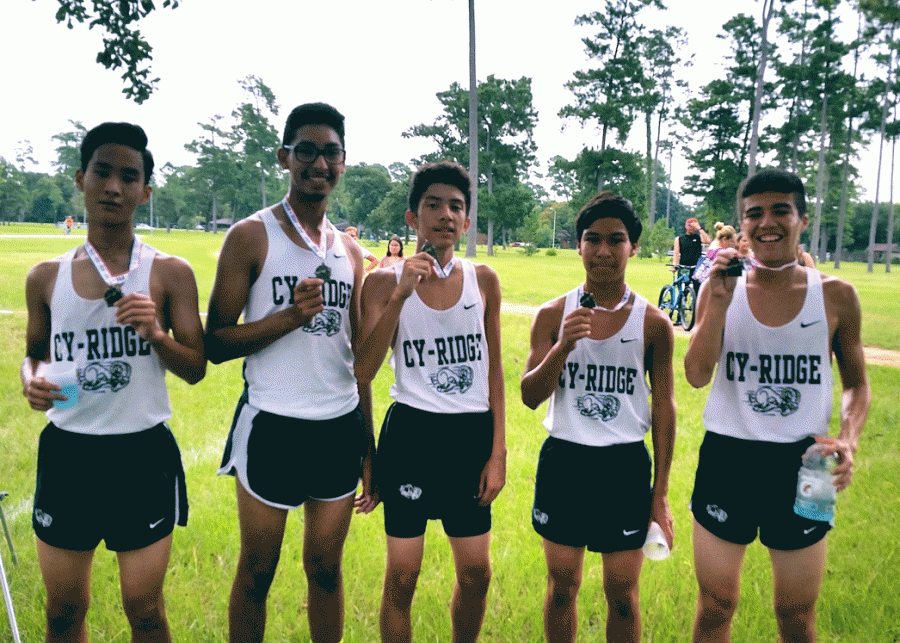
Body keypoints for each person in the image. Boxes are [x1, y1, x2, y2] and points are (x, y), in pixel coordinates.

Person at [22, 122, 206, 643]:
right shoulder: (44, 277)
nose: (113, 187)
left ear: (146, 190)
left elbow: (195, 368)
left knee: (145, 609)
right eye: (102, 172)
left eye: (129, 177)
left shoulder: (170, 272)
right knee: (63, 610)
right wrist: (30, 381)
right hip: (68, 454)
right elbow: (33, 358)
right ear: (81, 178)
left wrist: (155, 334)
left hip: (141, 455)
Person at [205, 102, 376, 643]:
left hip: (337, 426)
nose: (318, 162)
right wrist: (287, 318)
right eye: (306, 150)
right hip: (273, 424)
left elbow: (357, 360)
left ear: (344, 163)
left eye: (330, 152)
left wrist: (368, 448)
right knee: (258, 571)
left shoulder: (349, 250)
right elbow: (214, 342)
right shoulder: (251, 236)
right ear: (285, 157)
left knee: (326, 570)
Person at [685, 168, 870, 643]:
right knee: (715, 606)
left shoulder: (835, 296)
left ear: (802, 219)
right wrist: (719, 304)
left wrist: (847, 439)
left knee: (796, 614)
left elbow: (856, 386)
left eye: (780, 210)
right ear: (742, 225)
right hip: (728, 455)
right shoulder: (719, 288)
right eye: (755, 213)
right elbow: (696, 374)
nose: (768, 222)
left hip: (808, 461)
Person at [356, 160, 506, 643]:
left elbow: (495, 372)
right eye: (433, 204)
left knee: (476, 574)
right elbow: (362, 371)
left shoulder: (483, 279)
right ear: (411, 218)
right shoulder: (383, 282)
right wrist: (400, 295)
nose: (445, 214)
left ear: (467, 222)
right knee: (402, 577)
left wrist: (497, 452)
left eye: (456, 206)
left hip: (469, 436)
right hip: (412, 436)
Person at [521, 191, 676, 643]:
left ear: (634, 248)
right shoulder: (553, 313)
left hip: (624, 466)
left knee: (623, 594)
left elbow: (664, 411)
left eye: (616, 240)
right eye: (593, 239)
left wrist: (660, 494)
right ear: (579, 246)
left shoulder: (653, 323)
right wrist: (562, 347)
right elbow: (531, 396)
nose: (603, 251)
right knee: (563, 587)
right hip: (565, 460)